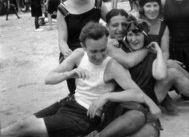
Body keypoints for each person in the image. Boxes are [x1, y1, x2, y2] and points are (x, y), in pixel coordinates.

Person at [0, 22, 159, 137]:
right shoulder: (78, 54)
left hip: (84, 117)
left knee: (24, 128)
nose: (99, 56)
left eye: (103, 50)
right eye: (93, 51)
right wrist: (68, 74)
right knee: (21, 125)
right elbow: (48, 79)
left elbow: (137, 94)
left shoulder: (112, 66)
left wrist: (107, 96)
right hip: (68, 103)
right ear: (83, 46)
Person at [56, 0, 109, 95]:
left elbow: (112, 21)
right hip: (73, 51)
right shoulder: (63, 9)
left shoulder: (97, 3)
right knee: (78, 92)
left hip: (94, 49)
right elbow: (62, 39)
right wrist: (67, 53)